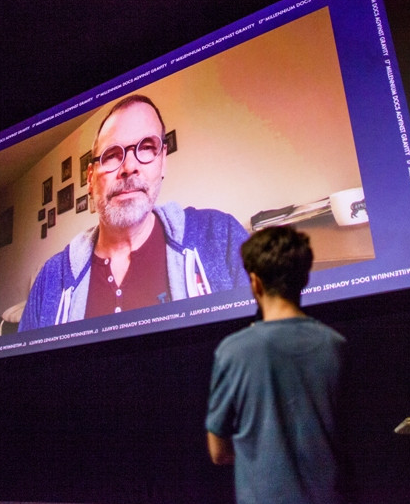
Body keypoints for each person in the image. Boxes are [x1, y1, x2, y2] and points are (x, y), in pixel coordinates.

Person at [18, 94, 249, 331]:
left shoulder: (223, 237)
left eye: (146, 148)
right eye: (111, 155)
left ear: (162, 162)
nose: (129, 167)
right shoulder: (49, 280)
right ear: (90, 178)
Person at [205, 225, 351, 504]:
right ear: (304, 278)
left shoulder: (232, 351)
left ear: (255, 282)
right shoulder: (336, 346)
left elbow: (218, 451)